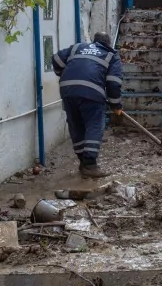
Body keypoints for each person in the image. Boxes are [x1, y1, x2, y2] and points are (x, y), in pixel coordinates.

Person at [52, 32, 123, 180]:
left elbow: (56, 59)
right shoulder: (111, 55)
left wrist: (62, 73)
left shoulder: (77, 47)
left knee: (76, 124)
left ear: (94, 41)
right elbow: (114, 82)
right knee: (94, 125)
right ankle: (90, 165)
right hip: (92, 93)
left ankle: (83, 162)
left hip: (68, 90)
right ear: (108, 44)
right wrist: (116, 104)